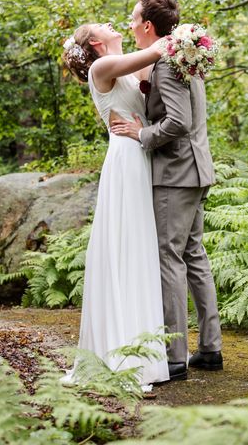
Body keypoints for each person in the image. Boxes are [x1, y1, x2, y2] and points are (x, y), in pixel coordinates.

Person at [111, 0, 223, 381]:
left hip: (176, 174)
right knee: (194, 255)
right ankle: (210, 348)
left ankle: (175, 355)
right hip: (196, 170)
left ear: (147, 26)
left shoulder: (168, 66)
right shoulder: (180, 58)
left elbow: (178, 122)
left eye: (132, 17)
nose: (128, 23)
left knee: (169, 258)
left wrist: (143, 133)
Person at [60, 22, 169, 389]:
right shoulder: (100, 68)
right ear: (95, 42)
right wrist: (187, 36)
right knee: (125, 248)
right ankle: (124, 355)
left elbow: (150, 77)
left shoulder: (121, 63)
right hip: (124, 159)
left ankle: (143, 351)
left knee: (139, 250)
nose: (113, 24)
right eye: (103, 26)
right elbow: (157, 51)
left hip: (139, 153)